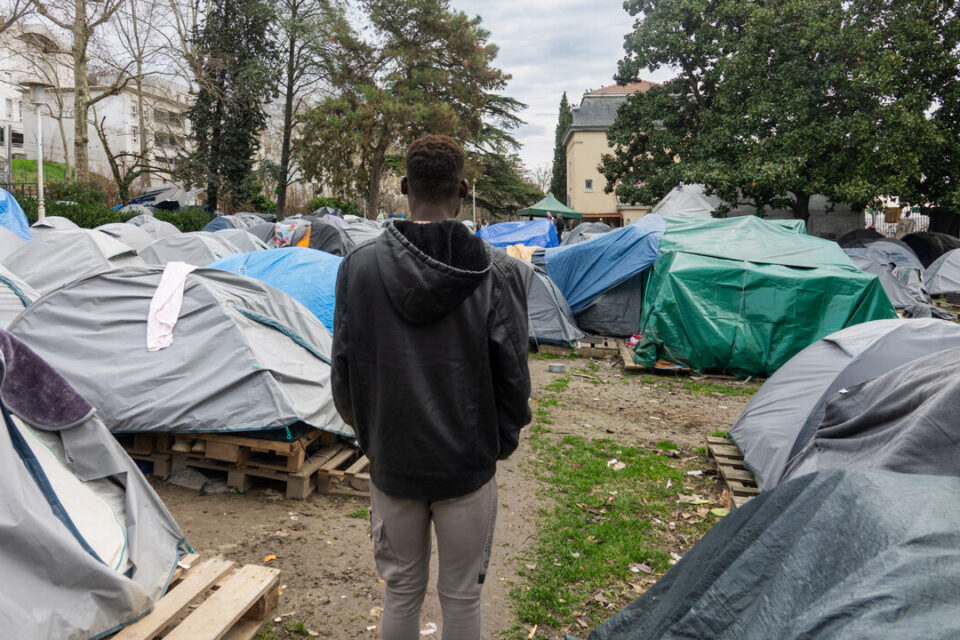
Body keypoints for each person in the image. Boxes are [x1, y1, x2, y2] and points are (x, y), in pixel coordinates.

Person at [331, 134, 532, 640]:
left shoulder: (357, 269)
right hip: (465, 463)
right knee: (462, 596)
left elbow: (343, 371)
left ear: (404, 187)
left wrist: (372, 437)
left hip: (394, 462)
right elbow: (514, 378)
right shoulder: (499, 271)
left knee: (400, 591)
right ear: (462, 189)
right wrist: (496, 444)